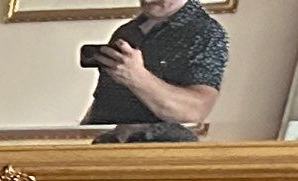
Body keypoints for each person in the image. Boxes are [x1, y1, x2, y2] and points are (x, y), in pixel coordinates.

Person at [84, 0, 229, 142]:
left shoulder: (206, 32)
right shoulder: (126, 31)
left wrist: (137, 77)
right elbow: (104, 101)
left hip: (162, 154)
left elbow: (194, 111)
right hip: (107, 148)